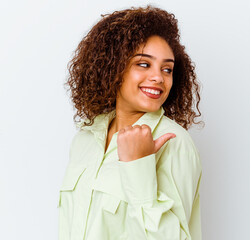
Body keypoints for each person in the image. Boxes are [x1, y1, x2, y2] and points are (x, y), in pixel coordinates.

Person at [59, 5, 203, 240]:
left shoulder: (174, 143)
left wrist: (138, 167)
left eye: (167, 69)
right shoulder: (85, 138)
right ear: (112, 66)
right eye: (144, 64)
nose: (159, 77)